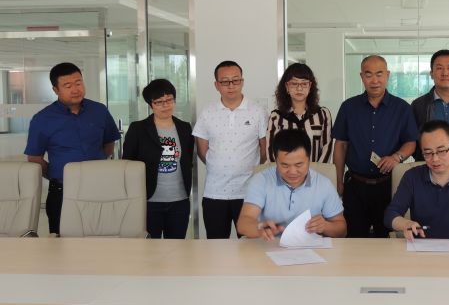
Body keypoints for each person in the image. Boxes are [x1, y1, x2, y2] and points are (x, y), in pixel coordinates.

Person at [24, 62, 121, 236]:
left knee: (102, 237)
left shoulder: (99, 111)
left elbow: (108, 144)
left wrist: (96, 165)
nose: (75, 89)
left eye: (78, 83)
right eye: (68, 86)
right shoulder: (42, 119)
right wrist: (57, 174)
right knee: (62, 241)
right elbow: (34, 158)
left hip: (99, 186)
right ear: (56, 90)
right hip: (62, 191)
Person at [332, 55, 418, 238]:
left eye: (379, 74)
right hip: (355, 186)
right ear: (361, 76)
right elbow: (340, 145)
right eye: (368, 74)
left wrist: (396, 157)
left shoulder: (402, 108)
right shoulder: (348, 107)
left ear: (388, 75)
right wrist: (338, 180)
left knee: (387, 239)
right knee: (353, 238)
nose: (374, 80)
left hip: (389, 185)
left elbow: (411, 142)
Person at [193, 60, 267, 239]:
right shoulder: (207, 112)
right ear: (217, 85)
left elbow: (264, 150)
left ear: (242, 81)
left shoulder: (258, 111)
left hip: (249, 193)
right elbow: (202, 151)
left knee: (251, 246)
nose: (231, 85)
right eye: (225, 81)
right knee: (216, 246)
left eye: (236, 80)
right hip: (214, 192)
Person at [237, 129, 346, 240]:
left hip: (310, 247)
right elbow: (243, 223)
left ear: (309, 159)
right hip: (269, 245)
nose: (292, 172)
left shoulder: (324, 184)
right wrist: (259, 229)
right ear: (276, 160)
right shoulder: (261, 180)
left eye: (299, 165)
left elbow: (342, 230)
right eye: (285, 165)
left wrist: (325, 226)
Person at [122, 79, 194, 239]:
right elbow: (127, 164)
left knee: (176, 247)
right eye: (159, 102)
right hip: (148, 201)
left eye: (169, 100)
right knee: (149, 248)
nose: (165, 105)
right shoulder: (138, 129)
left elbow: (187, 159)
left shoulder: (184, 127)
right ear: (151, 105)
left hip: (179, 200)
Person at [267, 63, 332, 163]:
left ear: (310, 86)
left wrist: (315, 172)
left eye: (304, 84)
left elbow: (326, 148)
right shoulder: (276, 117)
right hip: (284, 172)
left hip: (315, 171)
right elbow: (271, 152)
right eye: (294, 83)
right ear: (287, 86)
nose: (299, 88)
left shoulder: (322, 114)